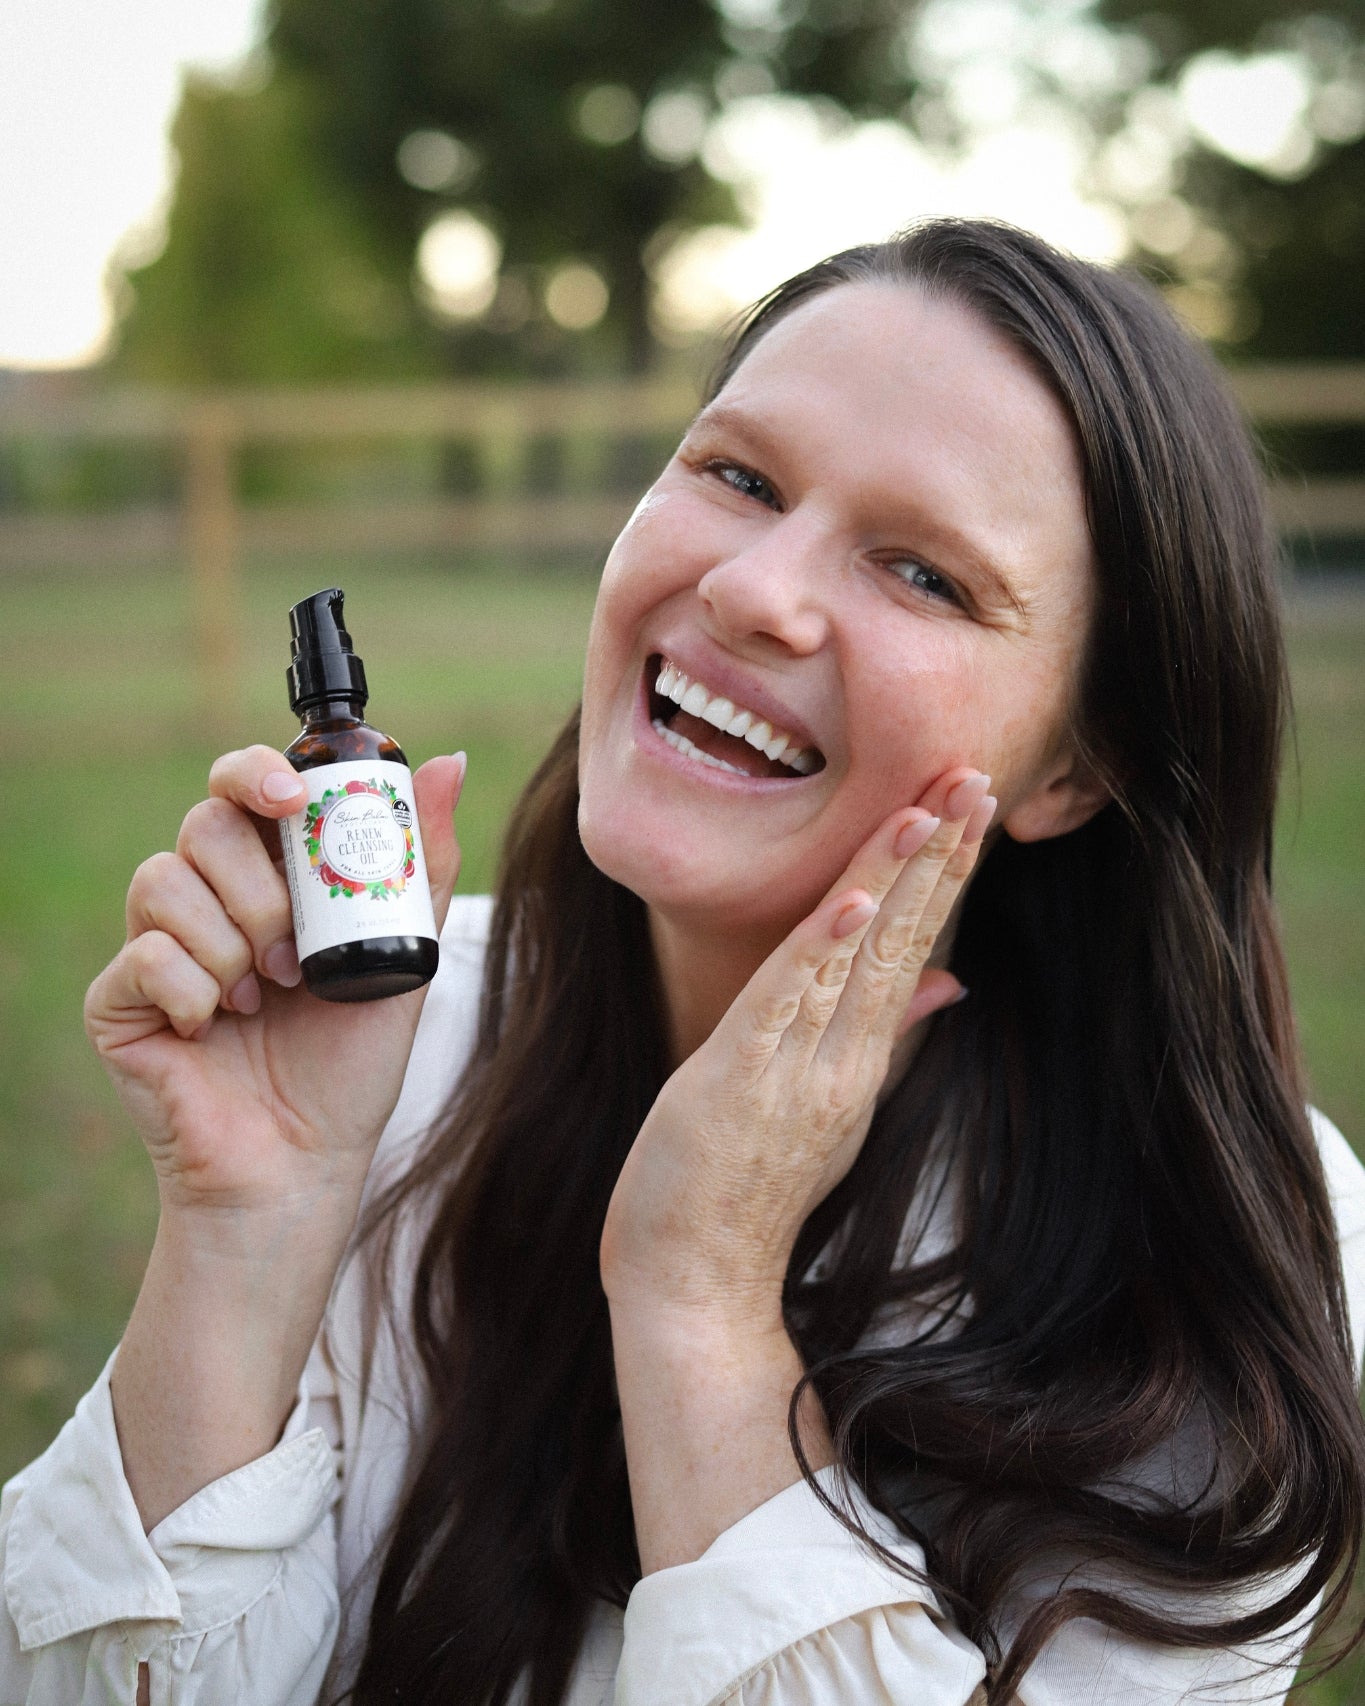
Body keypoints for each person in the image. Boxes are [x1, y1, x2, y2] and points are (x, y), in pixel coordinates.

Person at [2, 218, 1363, 1706]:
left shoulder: (1227, 1258)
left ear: (1075, 770)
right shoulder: (388, 1043)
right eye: (737, 476)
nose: (751, 590)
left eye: (920, 572)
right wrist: (252, 1221)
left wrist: (701, 1299)